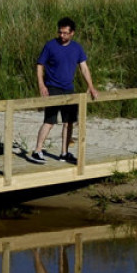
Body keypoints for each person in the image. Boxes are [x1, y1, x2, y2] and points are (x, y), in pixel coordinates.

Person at [29, 17, 99, 164]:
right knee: (50, 121)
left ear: (72, 33)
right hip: (53, 87)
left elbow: (84, 68)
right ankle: (37, 150)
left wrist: (91, 86)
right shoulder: (50, 46)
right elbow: (40, 65)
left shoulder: (77, 48)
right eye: (60, 32)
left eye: (65, 33)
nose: (62, 35)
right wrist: (41, 85)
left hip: (69, 89)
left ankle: (64, 153)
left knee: (69, 122)